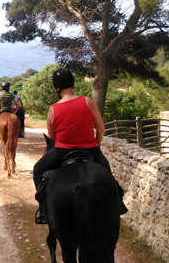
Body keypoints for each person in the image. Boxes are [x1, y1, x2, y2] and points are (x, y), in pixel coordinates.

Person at [33, 68, 128, 224]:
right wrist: (95, 144)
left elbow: (52, 136)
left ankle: (43, 210)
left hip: (61, 151)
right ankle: (118, 204)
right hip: (90, 149)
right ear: (72, 83)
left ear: (57, 88)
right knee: (107, 173)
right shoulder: (87, 102)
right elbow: (101, 128)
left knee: (38, 170)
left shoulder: (53, 109)